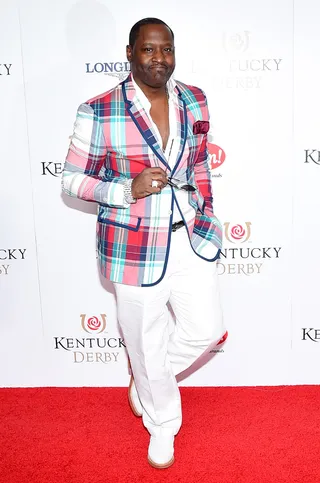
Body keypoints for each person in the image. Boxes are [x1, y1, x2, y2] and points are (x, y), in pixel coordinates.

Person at [62, 17, 228, 469]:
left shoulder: (195, 99)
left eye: (167, 49)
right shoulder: (98, 109)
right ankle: (163, 425)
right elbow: (72, 179)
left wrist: (207, 212)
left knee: (206, 330)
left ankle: (147, 381)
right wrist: (124, 190)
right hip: (133, 248)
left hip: (190, 238)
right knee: (146, 339)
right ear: (131, 52)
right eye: (149, 50)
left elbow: (199, 167)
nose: (160, 59)